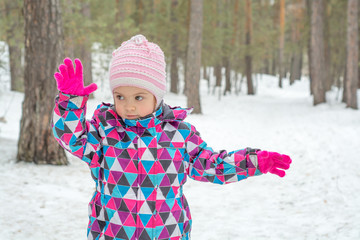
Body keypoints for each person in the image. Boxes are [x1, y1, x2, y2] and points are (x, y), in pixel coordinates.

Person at [52, 34, 292, 240]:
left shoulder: (178, 135)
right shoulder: (104, 132)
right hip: (111, 232)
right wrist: (70, 103)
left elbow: (212, 166)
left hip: (168, 232)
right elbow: (72, 138)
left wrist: (253, 161)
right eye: (120, 97)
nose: (128, 107)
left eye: (138, 97)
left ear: (157, 96)